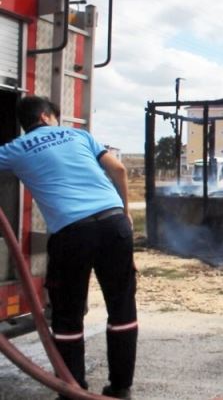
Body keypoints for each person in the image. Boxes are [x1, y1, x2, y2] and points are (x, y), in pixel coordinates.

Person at [0, 96, 137, 399]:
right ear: (48, 116)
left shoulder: (15, 149)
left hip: (72, 232)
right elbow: (120, 171)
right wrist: (125, 213)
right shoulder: (80, 135)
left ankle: (73, 389)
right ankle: (120, 388)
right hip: (114, 223)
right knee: (122, 306)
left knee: (67, 315)